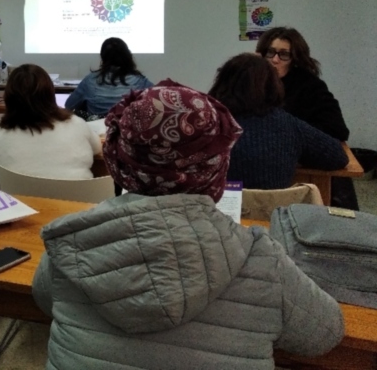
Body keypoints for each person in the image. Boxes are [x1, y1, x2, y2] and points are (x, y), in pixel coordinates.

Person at [33, 80, 344, 370]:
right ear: (217, 163)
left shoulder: (70, 243)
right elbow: (324, 335)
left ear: (118, 157)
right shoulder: (262, 258)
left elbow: (45, 299)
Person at [209, 53, 348, 189]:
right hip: (273, 209)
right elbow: (339, 158)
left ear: (222, 83)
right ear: (272, 85)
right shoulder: (289, 125)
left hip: (213, 209)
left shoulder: (204, 122)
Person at [255, 26, 356, 207]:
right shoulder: (253, 83)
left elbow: (338, 130)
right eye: (270, 53)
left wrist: (294, 135)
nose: (275, 60)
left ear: (294, 59)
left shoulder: (310, 86)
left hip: (304, 162)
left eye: (283, 54)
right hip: (263, 160)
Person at [0, 64, 100, 188]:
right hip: (82, 205)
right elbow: (97, 147)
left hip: (21, 206)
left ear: (8, 97)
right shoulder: (76, 124)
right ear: (50, 93)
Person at [65, 37, 153, 119]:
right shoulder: (140, 81)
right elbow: (158, 102)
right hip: (126, 131)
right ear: (127, 55)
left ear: (103, 57)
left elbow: (69, 105)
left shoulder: (90, 80)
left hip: (97, 131)